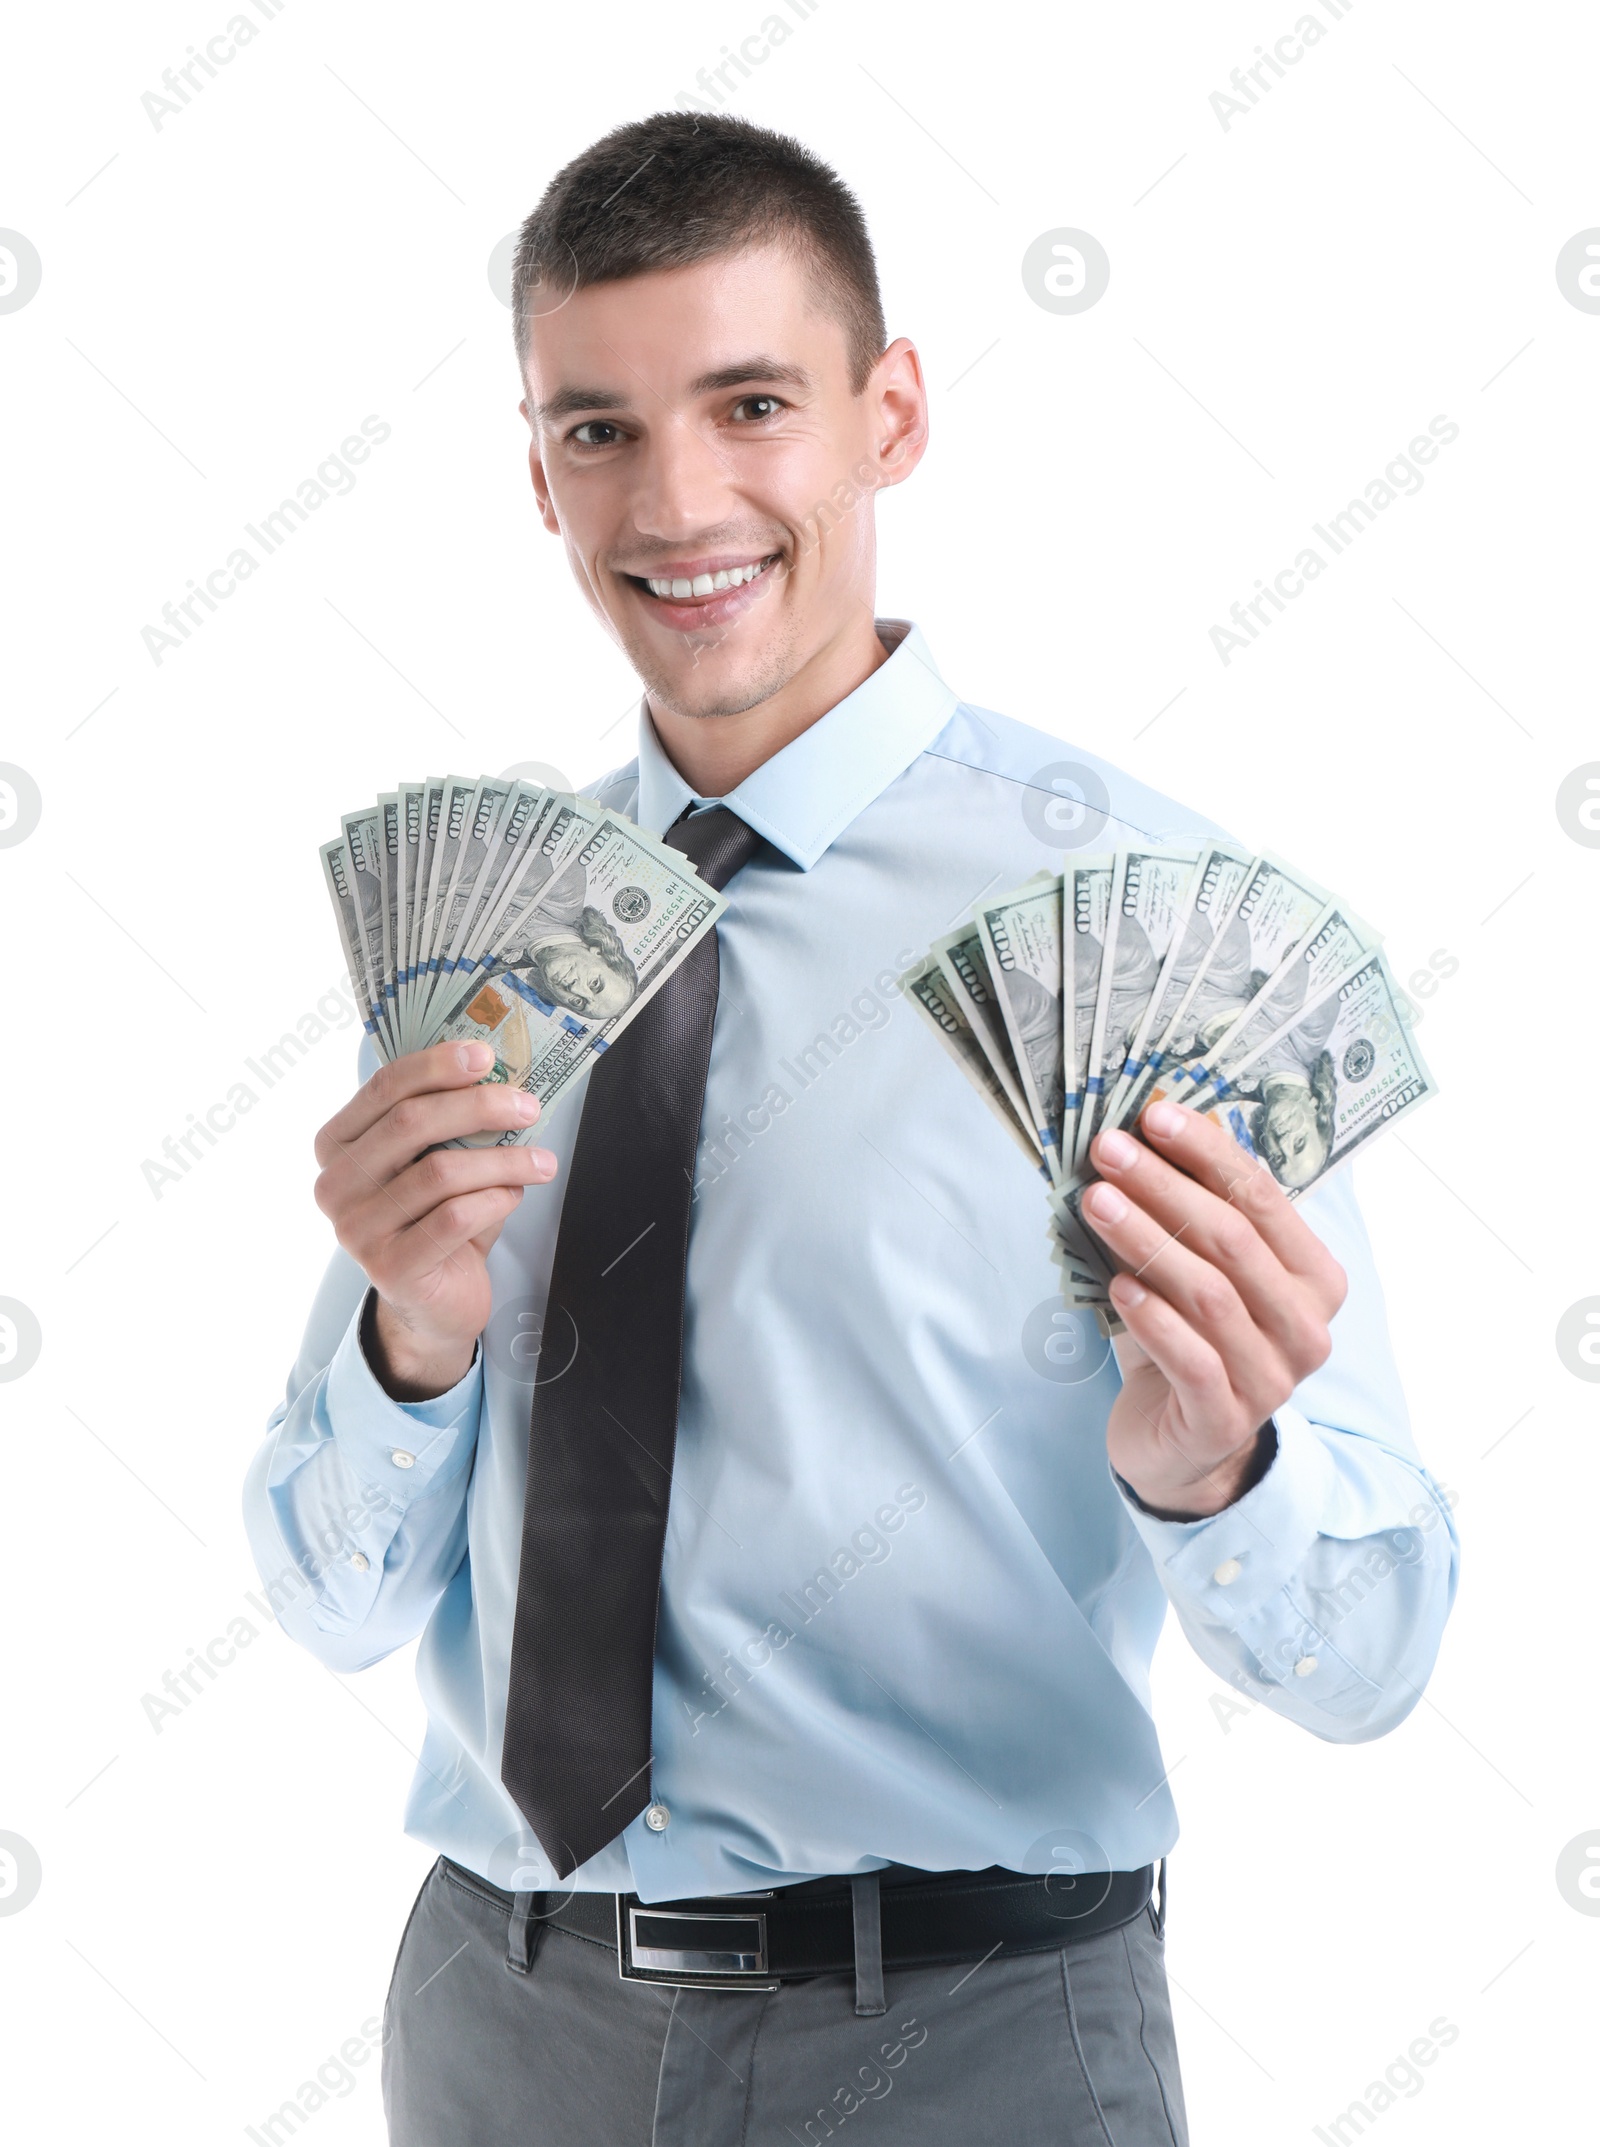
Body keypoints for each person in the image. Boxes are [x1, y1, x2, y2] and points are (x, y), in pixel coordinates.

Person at [243, 113, 1459, 2147]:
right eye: (596, 428)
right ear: (533, 468)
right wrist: (409, 1344)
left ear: (887, 415)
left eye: (748, 404)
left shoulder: (1131, 927)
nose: (679, 496)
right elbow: (327, 1599)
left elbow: (1374, 1654)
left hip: (966, 2039)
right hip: (496, 2021)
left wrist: (1213, 1470)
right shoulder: (500, 945)